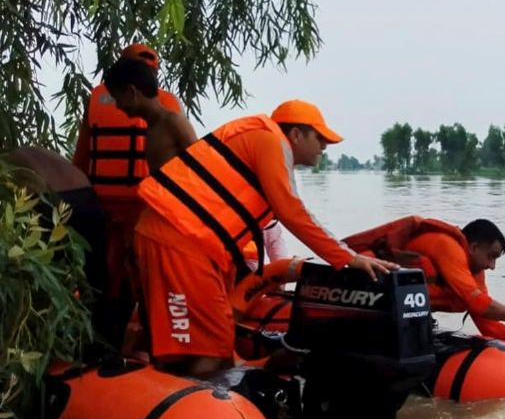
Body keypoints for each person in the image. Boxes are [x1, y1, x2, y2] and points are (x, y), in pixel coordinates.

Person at [133, 98, 396, 378]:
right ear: (296, 134)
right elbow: (292, 212)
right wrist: (346, 258)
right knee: (212, 353)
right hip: (179, 240)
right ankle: (198, 399)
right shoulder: (271, 140)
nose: (325, 146)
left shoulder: (261, 142)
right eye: (320, 138)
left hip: (184, 240)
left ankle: (184, 386)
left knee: (212, 345)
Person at [71, 44, 184, 338]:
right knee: (143, 274)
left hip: (102, 202)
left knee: (104, 274)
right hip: (143, 205)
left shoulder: (96, 98)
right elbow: (190, 165)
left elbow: (81, 157)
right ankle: (150, 337)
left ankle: (103, 335)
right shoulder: (167, 105)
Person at [342, 216, 505, 353]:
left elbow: (490, 326)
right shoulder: (447, 246)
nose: (492, 266)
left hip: (402, 316)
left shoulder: (473, 273)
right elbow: (479, 304)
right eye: (491, 256)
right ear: (473, 247)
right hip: (367, 301)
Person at [1, 146, 120, 350]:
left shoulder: (7, 167)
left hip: (50, 202)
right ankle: (106, 346)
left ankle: (55, 343)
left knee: (44, 284)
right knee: (96, 283)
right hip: (86, 196)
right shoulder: (29, 152)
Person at [100, 56, 198, 172]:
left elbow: (202, 166)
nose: (118, 106)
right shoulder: (151, 129)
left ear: (131, 91)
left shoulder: (174, 122)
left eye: (118, 98)